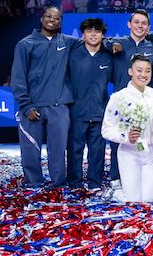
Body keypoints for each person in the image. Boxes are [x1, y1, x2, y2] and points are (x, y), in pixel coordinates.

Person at [11, 7, 80, 189]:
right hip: (33, 106)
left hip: (59, 106)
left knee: (58, 149)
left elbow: (92, 40)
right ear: (42, 18)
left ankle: (58, 184)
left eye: (57, 18)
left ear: (61, 23)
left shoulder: (68, 42)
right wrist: (26, 106)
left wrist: (112, 42)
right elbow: (18, 77)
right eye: (49, 16)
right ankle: (34, 184)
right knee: (30, 149)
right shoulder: (25, 44)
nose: (52, 20)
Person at [101, 54, 153, 202]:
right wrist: (125, 137)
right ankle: (116, 193)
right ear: (130, 72)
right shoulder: (119, 97)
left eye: (147, 71)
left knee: (148, 199)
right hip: (129, 153)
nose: (143, 75)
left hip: (151, 152)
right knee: (133, 200)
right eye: (139, 70)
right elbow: (106, 129)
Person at [109, 9, 153, 187]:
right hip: (123, 98)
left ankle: (143, 173)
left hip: (144, 99)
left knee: (143, 135)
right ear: (129, 25)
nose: (140, 26)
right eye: (136, 22)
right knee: (119, 135)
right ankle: (115, 176)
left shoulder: (152, 47)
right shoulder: (117, 43)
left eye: (143, 23)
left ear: (149, 27)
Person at [67, 18, 114, 191]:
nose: (93, 34)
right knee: (74, 151)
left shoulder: (109, 56)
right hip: (77, 112)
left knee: (97, 152)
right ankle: (75, 183)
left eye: (97, 31)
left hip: (100, 111)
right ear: (83, 34)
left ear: (103, 35)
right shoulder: (73, 53)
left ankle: (95, 183)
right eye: (89, 31)